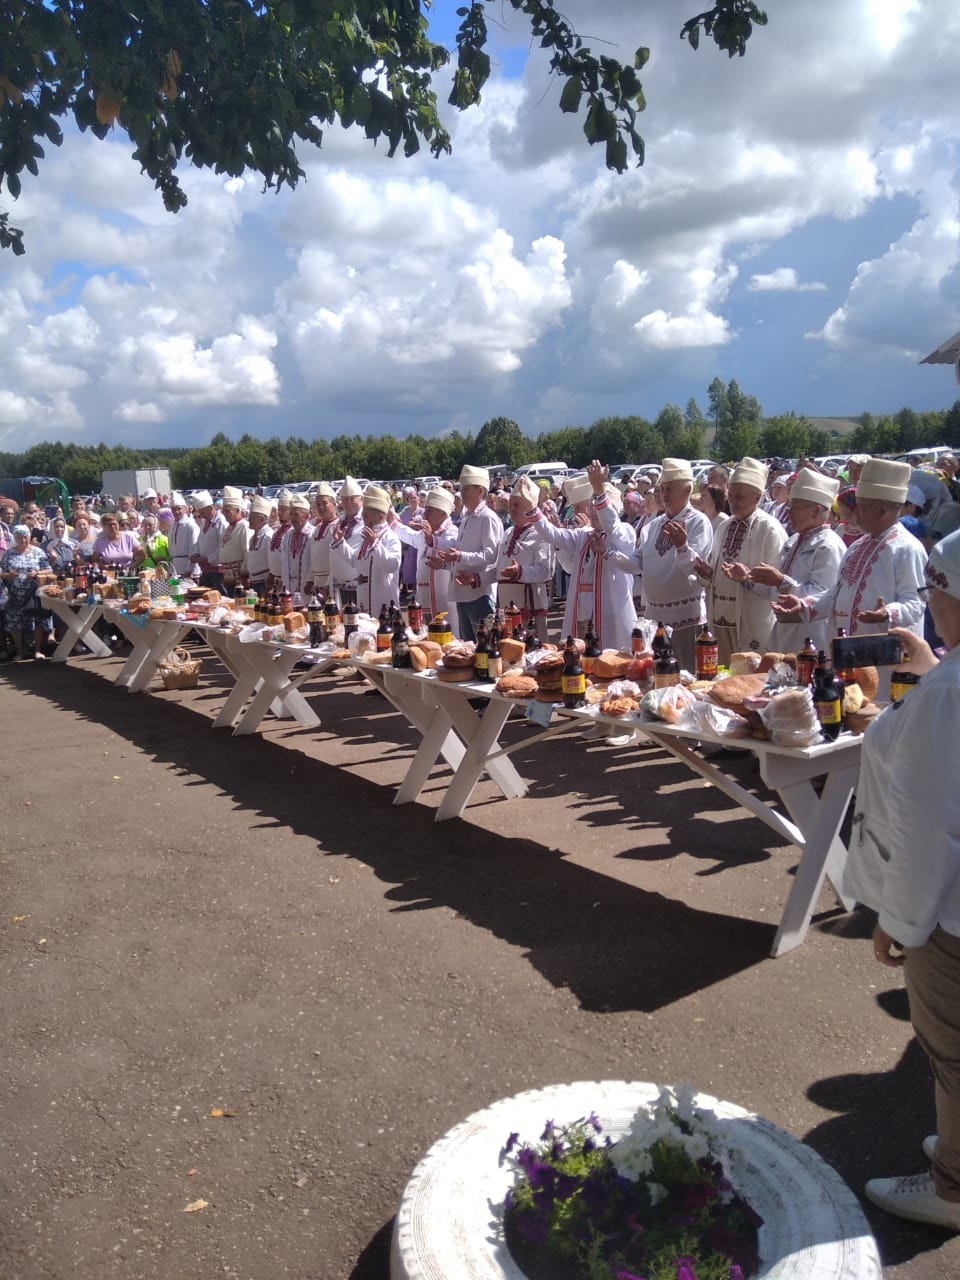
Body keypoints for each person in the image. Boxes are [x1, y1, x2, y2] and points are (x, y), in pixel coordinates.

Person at [842, 531, 960, 1230]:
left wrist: (899, 920)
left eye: (935, 589)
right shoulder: (949, 680)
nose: (930, 600)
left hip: (950, 912)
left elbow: (930, 832)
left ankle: (953, 1187)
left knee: (951, 1046)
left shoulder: (949, 696)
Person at [602, 458, 713, 671]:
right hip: (654, 619)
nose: (664, 495)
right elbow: (637, 564)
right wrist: (608, 554)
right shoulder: (652, 526)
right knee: (654, 677)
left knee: (684, 676)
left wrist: (682, 547)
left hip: (685, 618)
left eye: (670, 489)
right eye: (662, 489)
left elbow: (697, 569)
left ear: (687, 490)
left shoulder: (698, 522)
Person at [529, 466, 637, 651]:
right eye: (591, 508)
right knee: (581, 658)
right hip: (582, 613)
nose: (593, 513)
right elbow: (554, 536)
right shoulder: (583, 535)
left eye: (598, 508)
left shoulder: (624, 532)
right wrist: (532, 509)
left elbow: (611, 525)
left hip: (610, 612)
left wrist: (599, 490)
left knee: (611, 659)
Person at [695, 457, 787, 663]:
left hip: (750, 622)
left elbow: (778, 586)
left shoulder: (770, 529)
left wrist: (747, 578)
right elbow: (715, 569)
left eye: (740, 497)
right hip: (719, 619)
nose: (733, 501)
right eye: (732, 495)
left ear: (757, 497)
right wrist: (707, 573)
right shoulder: (724, 526)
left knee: (748, 679)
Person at [760, 470, 847, 653]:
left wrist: (781, 581)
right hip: (784, 632)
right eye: (789, 505)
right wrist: (748, 579)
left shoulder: (828, 545)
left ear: (816, 510)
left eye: (796, 506)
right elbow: (776, 590)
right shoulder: (793, 541)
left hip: (811, 638)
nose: (788, 512)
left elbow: (824, 596)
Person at [439, 465, 503, 641]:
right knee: (469, 648)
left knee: (487, 645)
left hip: (480, 594)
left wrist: (459, 556)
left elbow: (491, 555)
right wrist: (446, 562)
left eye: (466, 489)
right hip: (463, 593)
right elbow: (463, 552)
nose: (462, 493)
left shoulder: (488, 518)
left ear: (480, 491)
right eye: (461, 488)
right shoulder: (467, 518)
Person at [494, 476, 554, 642]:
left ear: (529, 507)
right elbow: (498, 569)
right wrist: (476, 577)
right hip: (507, 606)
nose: (511, 508)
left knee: (535, 654)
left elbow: (546, 571)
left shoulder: (541, 534)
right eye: (510, 503)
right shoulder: (507, 533)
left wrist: (520, 572)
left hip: (530, 606)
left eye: (516, 505)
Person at [391, 487, 459, 629]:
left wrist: (431, 539)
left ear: (442, 513)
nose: (425, 514)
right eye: (425, 509)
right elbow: (411, 536)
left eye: (430, 511)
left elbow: (450, 547)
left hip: (443, 603)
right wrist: (393, 523)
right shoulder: (426, 532)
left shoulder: (451, 531)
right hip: (424, 599)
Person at [330, 485, 401, 615]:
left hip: (383, 600)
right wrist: (340, 543)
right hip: (363, 598)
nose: (363, 517)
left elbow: (392, 565)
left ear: (380, 516)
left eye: (367, 514)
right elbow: (354, 561)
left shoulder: (390, 537)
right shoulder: (366, 537)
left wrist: (375, 544)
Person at [0, 525, 53, 660]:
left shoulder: (38, 551)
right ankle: (19, 651)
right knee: (15, 623)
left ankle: (37, 650)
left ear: (29, 536)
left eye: (25, 536)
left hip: (33, 595)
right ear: (14, 537)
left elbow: (49, 570)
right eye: (19, 537)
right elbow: (2, 574)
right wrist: (9, 575)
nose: (23, 539)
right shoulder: (8, 553)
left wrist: (37, 573)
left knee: (37, 621)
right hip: (14, 596)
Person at [331, 477, 364, 608]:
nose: (348, 503)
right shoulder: (340, 522)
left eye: (352, 499)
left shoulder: (367, 522)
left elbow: (358, 557)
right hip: (339, 586)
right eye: (345, 499)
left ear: (361, 499)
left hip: (359, 586)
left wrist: (340, 542)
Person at [277, 494, 314, 597]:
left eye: (296, 514)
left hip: (306, 585)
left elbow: (314, 562)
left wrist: (311, 580)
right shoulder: (288, 535)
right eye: (291, 514)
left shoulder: (312, 534)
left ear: (307, 516)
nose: (292, 518)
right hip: (289, 585)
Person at [305, 483, 339, 598]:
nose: (321, 507)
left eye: (325, 503)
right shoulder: (316, 529)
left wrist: (332, 583)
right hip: (317, 582)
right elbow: (313, 558)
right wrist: (310, 580)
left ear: (334, 504)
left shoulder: (339, 527)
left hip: (332, 583)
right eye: (318, 504)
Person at [191, 490, 227, 589]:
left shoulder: (221, 522)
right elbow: (198, 542)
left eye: (202, 511)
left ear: (210, 508)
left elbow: (222, 546)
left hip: (217, 571)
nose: (201, 515)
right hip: (205, 570)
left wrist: (208, 559)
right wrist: (196, 553)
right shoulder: (204, 523)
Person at [217, 486, 250, 590]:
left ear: (237, 510)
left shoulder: (244, 526)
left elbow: (247, 551)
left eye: (228, 511)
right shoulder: (229, 527)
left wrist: (244, 574)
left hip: (238, 574)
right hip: (228, 574)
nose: (225, 514)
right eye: (224, 511)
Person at [241, 495, 273, 595]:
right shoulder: (253, 537)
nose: (249, 519)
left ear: (261, 519)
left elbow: (272, 561)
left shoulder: (268, 536)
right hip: (254, 582)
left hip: (264, 583)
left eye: (252, 517)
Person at [167, 493, 199, 576]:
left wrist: (189, 569)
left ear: (185, 509)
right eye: (173, 509)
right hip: (175, 569)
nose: (176, 512)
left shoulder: (190, 525)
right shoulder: (172, 526)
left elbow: (194, 548)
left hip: (189, 568)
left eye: (179, 509)